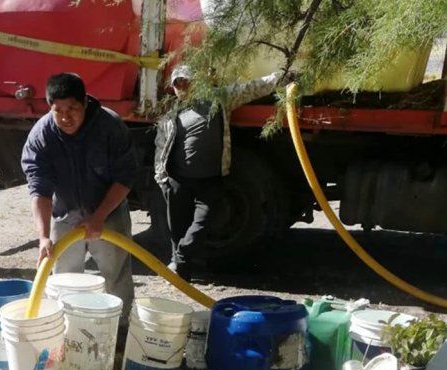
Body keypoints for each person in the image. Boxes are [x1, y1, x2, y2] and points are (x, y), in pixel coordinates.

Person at [21, 72, 137, 321]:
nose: (65, 117)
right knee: (63, 279)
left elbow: (125, 177)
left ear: (85, 102)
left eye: (72, 108)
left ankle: (121, 331)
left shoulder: (110, 126)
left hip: (108, 214)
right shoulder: (42, 135)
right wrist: (42, 237)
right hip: (65, 215)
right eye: (57, 109)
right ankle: (66, 332)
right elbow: (39, 187)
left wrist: (99, 217)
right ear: (49, 107)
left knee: (115, 276)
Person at [154, 65, 285, 279]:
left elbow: (251, 88)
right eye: (177, 83)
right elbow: (161, 148)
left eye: (186, 81)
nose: (182, 87)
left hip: (209, 179)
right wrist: (162, 179)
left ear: (197, 82)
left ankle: (180, 258)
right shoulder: (171, 115)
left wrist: (280, 76)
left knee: (202, 222)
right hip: (179, 179)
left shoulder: (219, 100)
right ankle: (182, 271)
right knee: (176, 226)